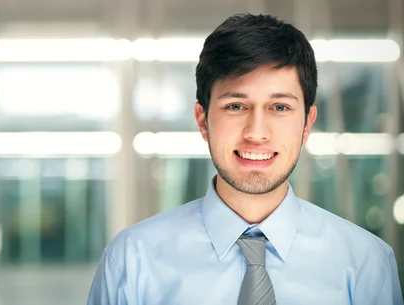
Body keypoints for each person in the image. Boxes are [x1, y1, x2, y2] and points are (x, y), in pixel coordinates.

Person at [87, 13, 404, 305]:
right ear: (202, 120)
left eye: (279, 107)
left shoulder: (365, 261)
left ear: (307, 123)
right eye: (236, 106)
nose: (256, 132)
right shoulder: (133, 258)